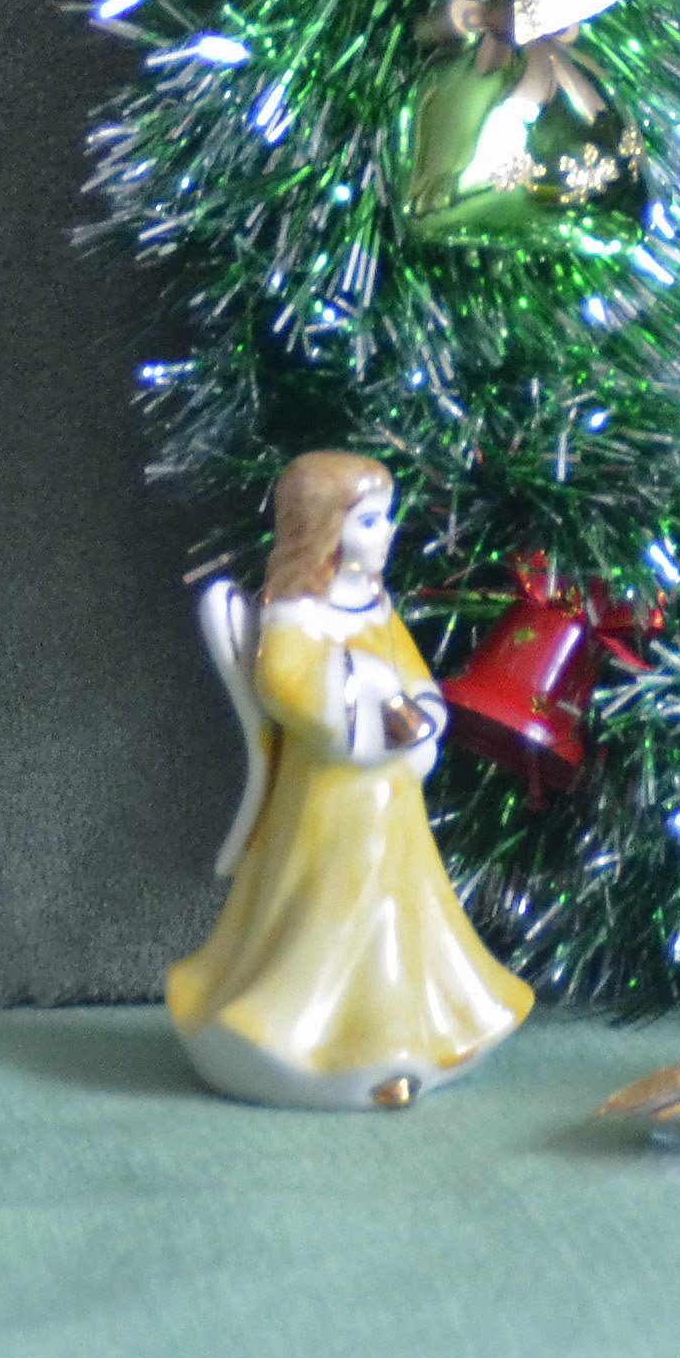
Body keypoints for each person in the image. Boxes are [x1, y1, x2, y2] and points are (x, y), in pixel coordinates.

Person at [166, 451, 533, 1108]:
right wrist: (367, 698)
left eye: (385, 517)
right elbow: (286, 686)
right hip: (328, 804)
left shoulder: (373, 605)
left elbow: (416, 677)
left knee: (400, 917)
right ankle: (302, 1038)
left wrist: (418, 714)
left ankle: (400, 1037)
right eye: (368, 520)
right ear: (323, 530)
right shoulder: (296, 614)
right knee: (334, 917)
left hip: (391, 803)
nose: (387, 532)